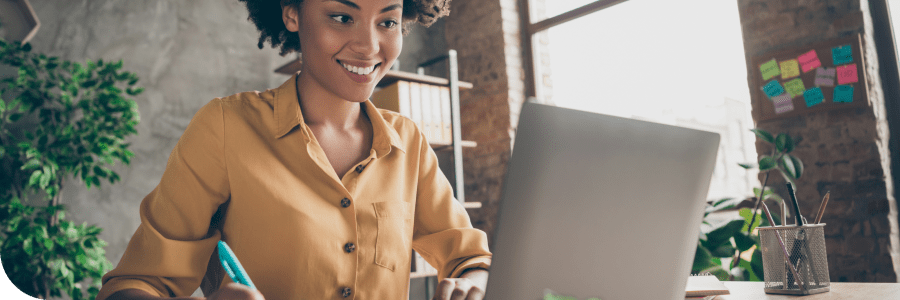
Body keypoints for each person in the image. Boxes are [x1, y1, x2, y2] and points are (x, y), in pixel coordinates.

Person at [97, 0, 491, 299]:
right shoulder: (225, 128)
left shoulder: (409, 142)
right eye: (342, 17)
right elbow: (138, 282)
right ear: (292, 15)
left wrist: (470, 287)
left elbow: (474, 260)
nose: (370, 47)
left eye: (387, 22)